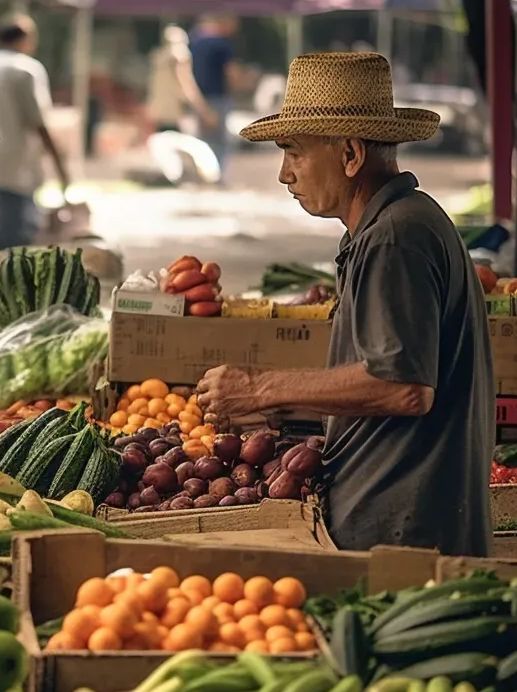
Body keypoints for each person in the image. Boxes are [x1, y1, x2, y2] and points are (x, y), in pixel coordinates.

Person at [198, 51, 494, 556]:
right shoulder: (392, 226)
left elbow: (403, 386)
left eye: (293, 151)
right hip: (398, 526)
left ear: (352, 154)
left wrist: (261, 387)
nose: (283, 174)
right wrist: (289, 409)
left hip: (405, 539)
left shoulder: (396, 237)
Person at [0, 15, 68, 249]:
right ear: (25, 39)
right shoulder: (27, 69)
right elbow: (39, 123)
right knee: (14, 248)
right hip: (14, 172)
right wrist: (61, 168)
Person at [190, 15, 241, 182]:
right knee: (220, 141)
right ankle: (215, 176)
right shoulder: (222, 45)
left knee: (202, 139)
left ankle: (200, 175)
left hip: (197, 97)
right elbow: (231, 73)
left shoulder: (193, 41)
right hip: (217, 97)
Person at [146, 24, 218, 134]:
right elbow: (187, 86)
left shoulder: (159, 57)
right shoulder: (180, 55)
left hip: (160, 114)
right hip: (175, 116)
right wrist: (205, 112)